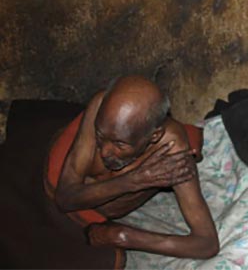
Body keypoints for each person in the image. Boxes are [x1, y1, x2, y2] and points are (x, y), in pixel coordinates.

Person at [45, 75, 220, 260]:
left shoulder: (172, 151)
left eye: (119, 144)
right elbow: (64, 198)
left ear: (154, 136)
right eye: (100, 135)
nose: (104, 151)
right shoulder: (98, 107)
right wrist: (134, 180)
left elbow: (206, 243)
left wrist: (123, 236)